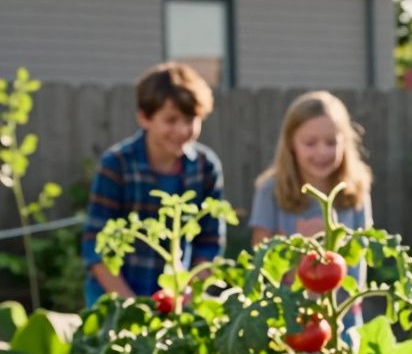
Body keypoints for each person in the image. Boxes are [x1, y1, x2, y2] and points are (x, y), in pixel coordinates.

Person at [83, 62, 225, 307]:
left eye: (190, 119)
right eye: (171, 120)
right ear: (144, 117)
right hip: (115, 299)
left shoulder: (206, 167)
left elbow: (210, 243)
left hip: (178, 299)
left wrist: (188, 291)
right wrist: (132, 307)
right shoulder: (116, 165)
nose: (182, 130)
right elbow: (97, 247)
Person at [249, 91, 374, 330]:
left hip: (342, 317)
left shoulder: (356, 187)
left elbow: (362, 253)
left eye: (331, 142)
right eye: (310, 143)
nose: (321, 152)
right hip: (292, 318)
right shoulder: (270, 191)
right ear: (291, 143)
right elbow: (261, 256)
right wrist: (300, 253)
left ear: (345, 142)